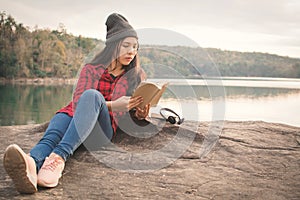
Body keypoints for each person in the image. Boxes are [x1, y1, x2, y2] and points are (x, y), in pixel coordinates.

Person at [3, 13, 150, 194]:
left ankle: (58, 159)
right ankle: (31, 166)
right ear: (113, 46)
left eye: (135, 47)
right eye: (126, 46)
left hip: (101, 131)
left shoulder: (135, 76)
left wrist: (140, 114)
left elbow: (127, 110)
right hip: (71, 115)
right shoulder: (91, 69)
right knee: (52, 135)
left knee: (92, 96)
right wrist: (114, 104)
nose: (131, 52)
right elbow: (79, 101)